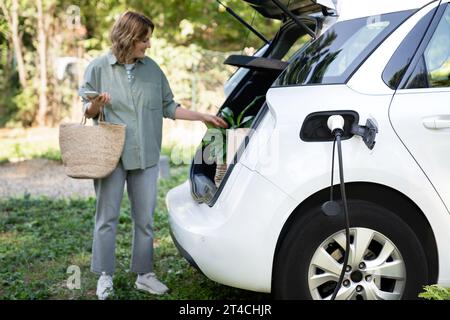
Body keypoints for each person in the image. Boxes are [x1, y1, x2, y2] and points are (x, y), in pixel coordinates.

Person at [78, 11, 228, 300]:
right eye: (143, 40)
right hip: (111, 156)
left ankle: (144, 275)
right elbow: (87, 111)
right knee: (106, 217)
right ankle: (105, 276)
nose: (148, 45)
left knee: (144, 219)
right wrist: (96, 104)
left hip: (146, 155)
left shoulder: (152, 69)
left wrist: (201, 116)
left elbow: (169, 106)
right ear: (128, 38)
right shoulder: (98, 67)